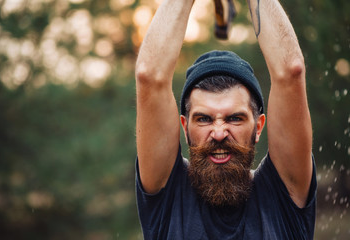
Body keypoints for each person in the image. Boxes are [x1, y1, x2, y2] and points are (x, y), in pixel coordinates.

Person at [135, 0, 317, 239]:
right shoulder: (168, 196)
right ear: (185, 128)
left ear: (259, 126)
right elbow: (149, 75)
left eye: (234, 118)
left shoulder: (282, 195)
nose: (219, 133)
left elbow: (290, 70)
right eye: (203, 119)